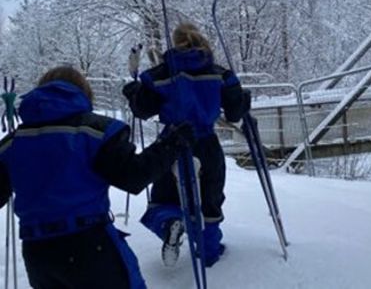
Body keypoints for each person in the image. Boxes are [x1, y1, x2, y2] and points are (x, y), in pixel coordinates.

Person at [0, 66, 194, 289]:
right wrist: (171, 144)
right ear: (82, 92)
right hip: (90, 245)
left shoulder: (11, 144)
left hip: (38, 254)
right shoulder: (95, 132)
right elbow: (133, 176)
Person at [122, 22, 250, 268]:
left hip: (171, 143)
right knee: (210, 199)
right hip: (207, 144)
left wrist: (133, 91)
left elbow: (142, 110)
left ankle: (170, 223)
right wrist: (244, 100)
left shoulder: (158, 75)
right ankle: (209, 253)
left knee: (164, 198)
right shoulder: (220, 73)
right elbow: (235, 112)